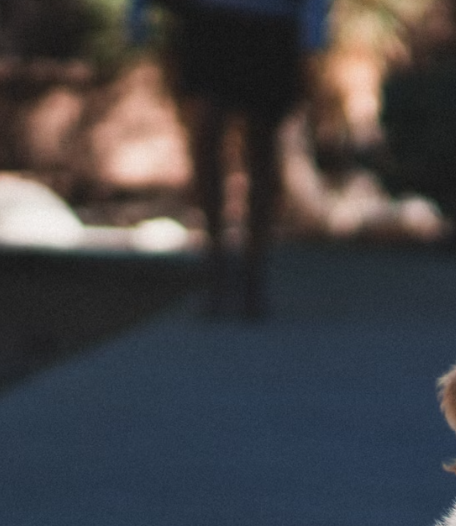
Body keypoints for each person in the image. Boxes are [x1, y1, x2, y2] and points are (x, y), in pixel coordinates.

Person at [131, 0, 328, 318]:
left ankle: (254, 270)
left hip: (270, 25)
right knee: (206, 136)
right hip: (207, 21)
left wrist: (313, 35)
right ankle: (215, 265)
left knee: (262, 148)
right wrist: (139, 13)